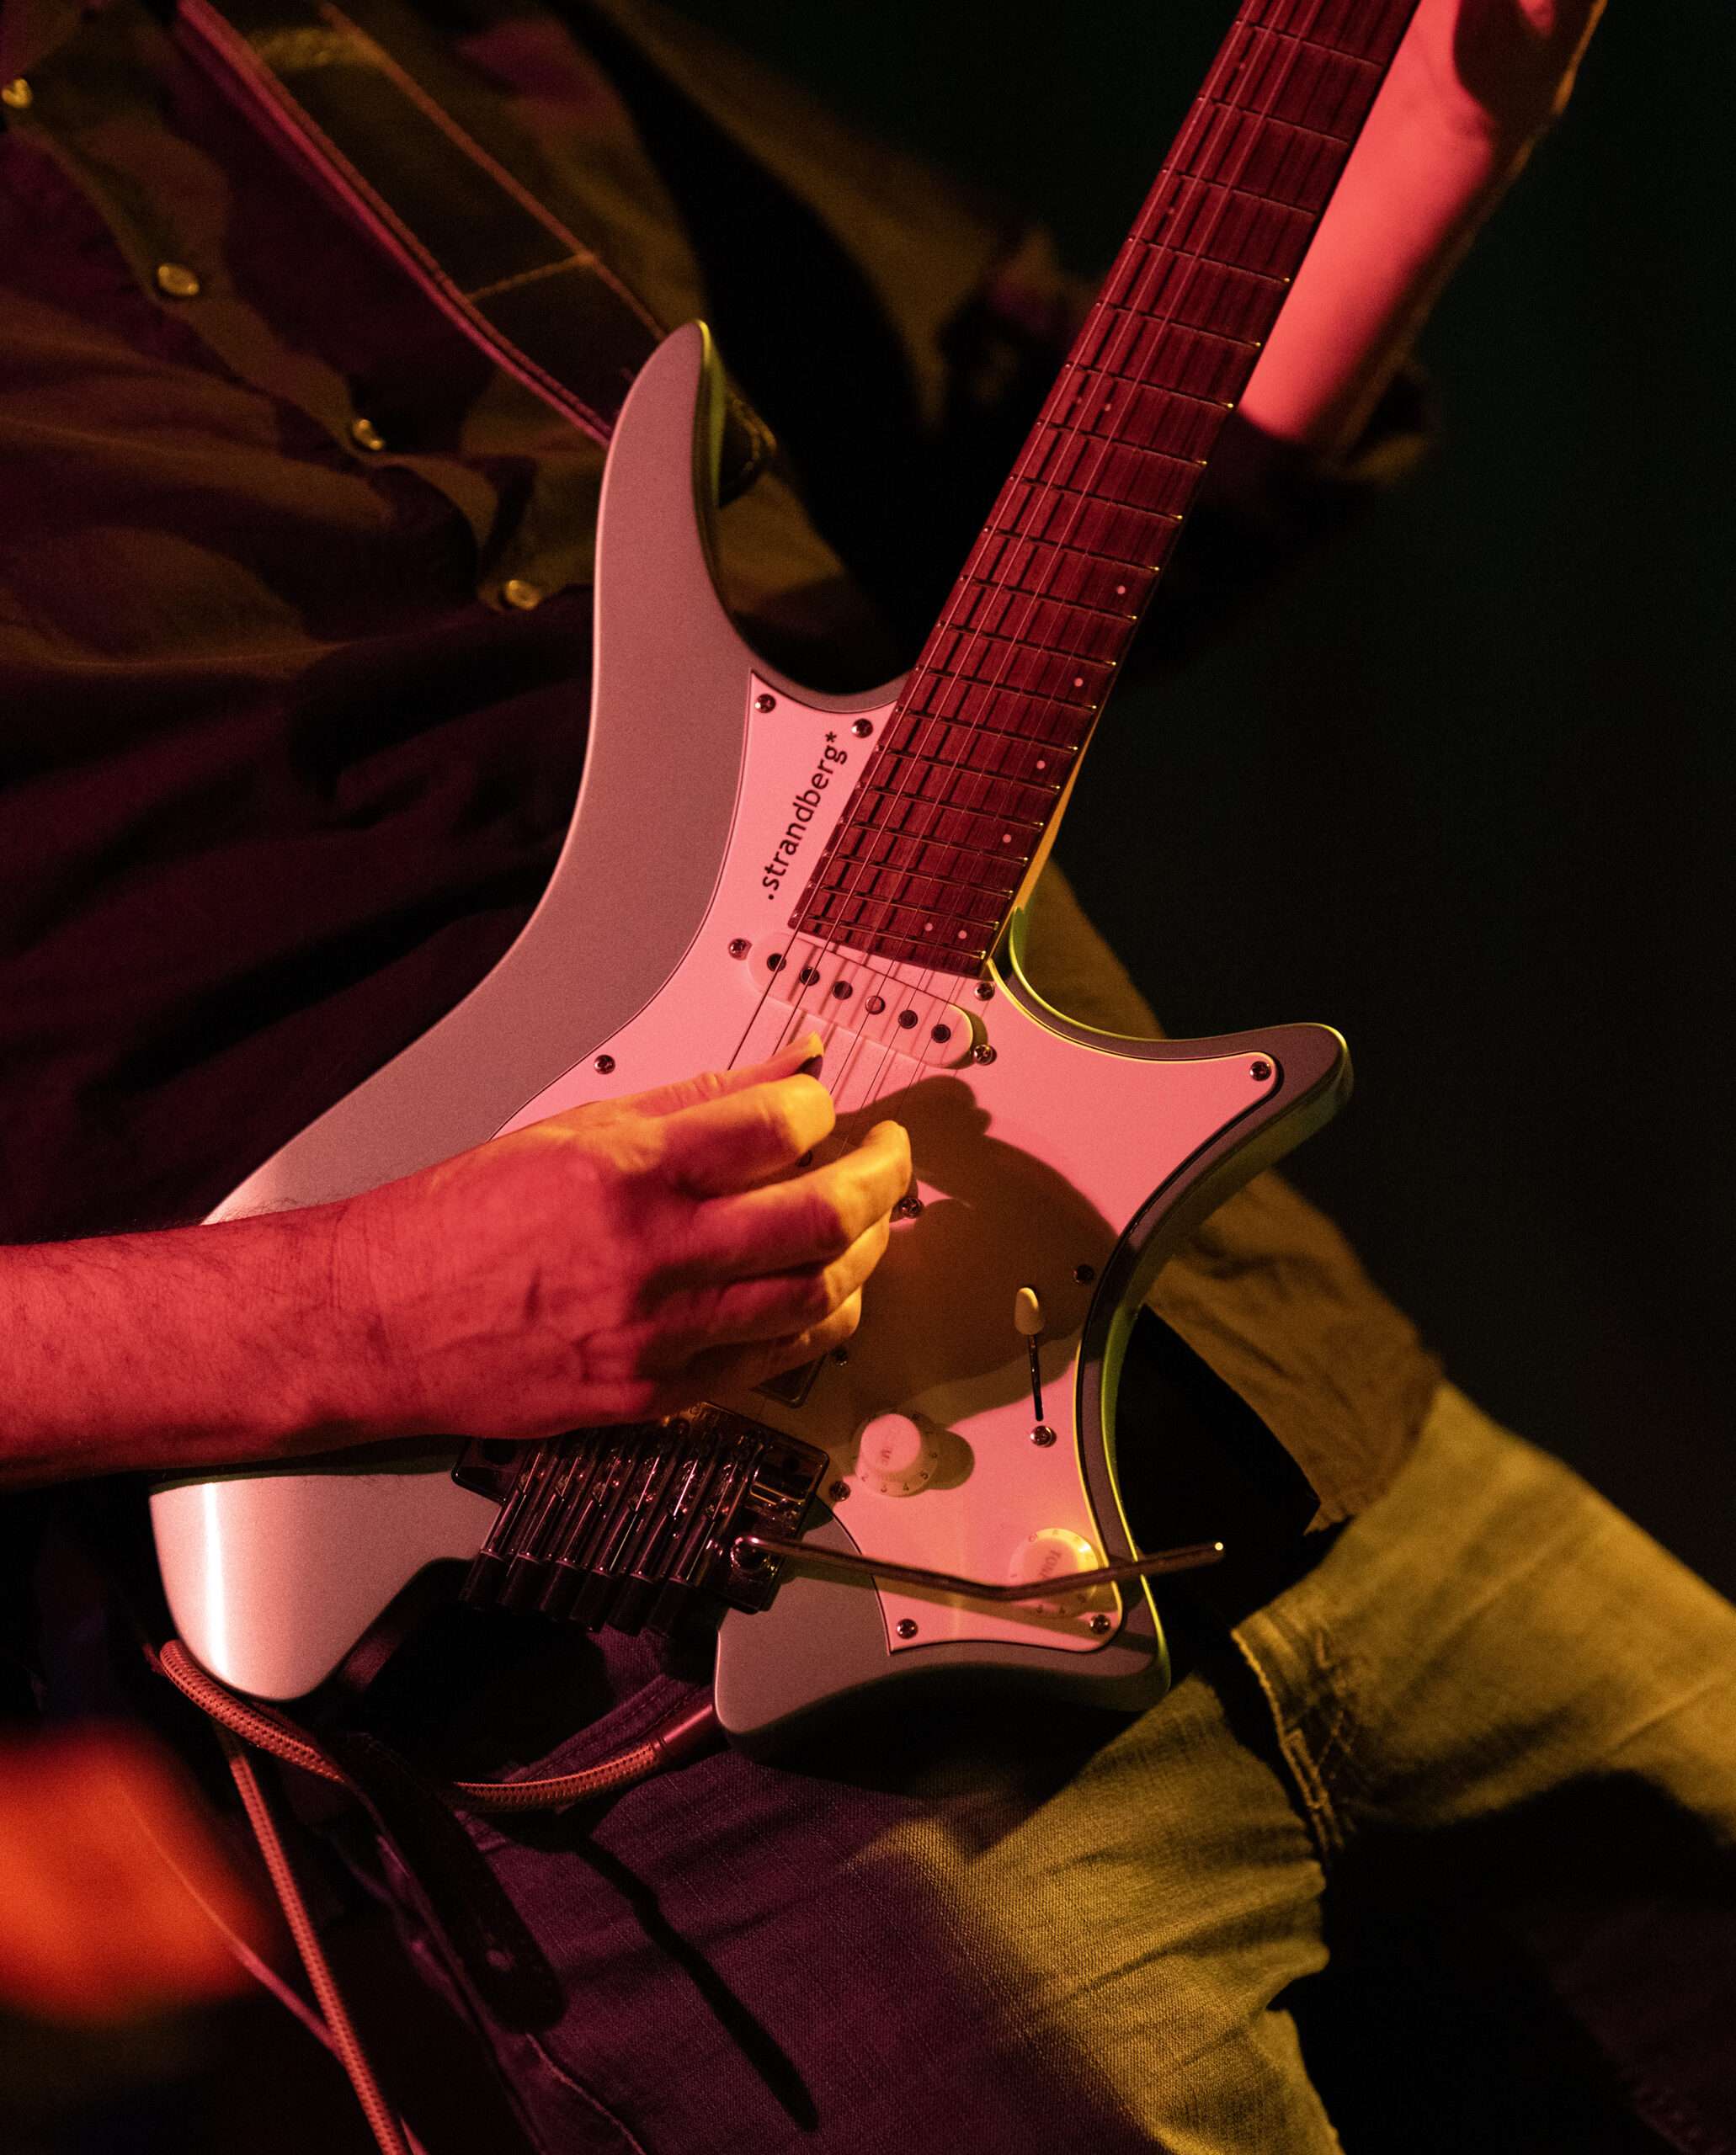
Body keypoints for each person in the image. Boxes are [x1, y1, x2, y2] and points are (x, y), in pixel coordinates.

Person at [4, 0, 1732, 2147]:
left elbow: (1039, 533)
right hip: (665, 1684)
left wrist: (1430, 129)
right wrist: (354, 1308)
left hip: (1262, 1398)